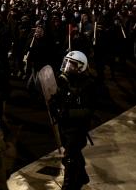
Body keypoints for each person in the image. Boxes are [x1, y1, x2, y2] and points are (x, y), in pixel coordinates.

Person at [49, 51, 96, 190]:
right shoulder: (64, 81)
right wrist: (54, 104)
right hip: (65, 126)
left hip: (77, 128)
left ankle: (69, 185)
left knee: (69, 158)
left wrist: (68, 113)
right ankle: (82, 175)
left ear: (81, 67)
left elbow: (89, 110)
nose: (68, 66)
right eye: (68, 62)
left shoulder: (88, 85)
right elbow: (60, 98)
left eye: (72, 64)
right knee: (74, 153)